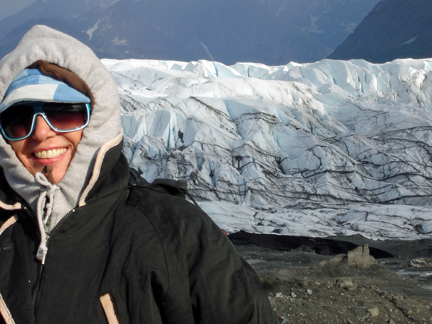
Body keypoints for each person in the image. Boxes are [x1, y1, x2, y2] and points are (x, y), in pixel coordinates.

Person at [0, 25, 278, 324]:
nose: (41, 132)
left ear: (98, 121)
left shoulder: (176, 233)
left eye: (65, 112)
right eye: (18, 119)